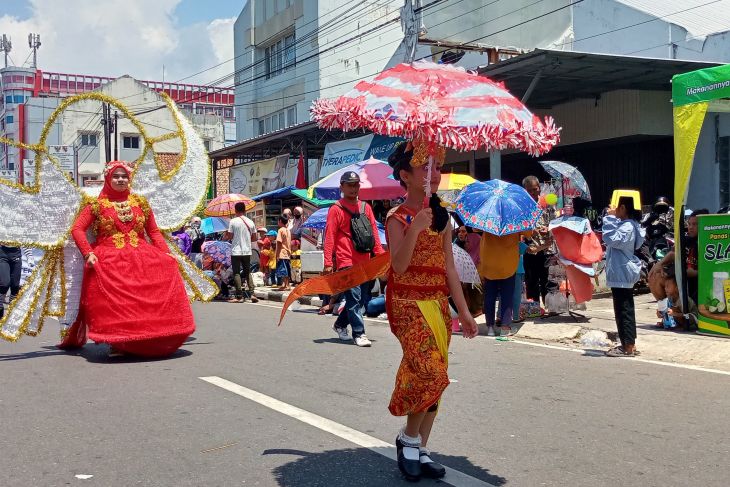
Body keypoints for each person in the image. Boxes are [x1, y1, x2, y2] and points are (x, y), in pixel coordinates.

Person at [386, 140, 478, 481]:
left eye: (437, 167)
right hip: (408, 305)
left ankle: (421, 447)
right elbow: (398, 266)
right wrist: (415, 228)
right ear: (405, 176)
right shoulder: (397, 217)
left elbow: (450, 269)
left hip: (438, 305)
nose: (434, 174)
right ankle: (408, 438)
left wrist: (464, 313)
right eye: (426, 168)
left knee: (436, 376)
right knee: (429, 371)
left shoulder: (444, 219)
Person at [60, 161, 195, 358]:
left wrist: (166, 253)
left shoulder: (140, 203)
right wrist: (88, 253)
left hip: (142, 255)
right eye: (116, 176)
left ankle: (150, 337)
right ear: (108, 179)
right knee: (118, 304)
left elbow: (154, 232)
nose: (121, 179)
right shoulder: (96, 205)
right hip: (110, 258)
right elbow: (77, 229)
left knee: (148, 297)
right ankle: (117, 342)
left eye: (124, 176)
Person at [323, 170, 385, 347]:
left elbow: (374, 235)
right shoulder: (336, 209)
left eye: (356, 184)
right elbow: (330, 236)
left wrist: (380, 260)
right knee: (354, 298)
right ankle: (359, 333)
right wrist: (328, 262)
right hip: (346, 261)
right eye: (349, 185)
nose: (353, 188)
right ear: (341, 187)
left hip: (365, 261)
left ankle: (340, 324)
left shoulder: (366, 208)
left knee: (360, 300)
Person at [602, 196, 644, 357]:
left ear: (624, 208)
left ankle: (628, 346)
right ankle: (629, 343)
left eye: (616, 207)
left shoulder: (627, 226)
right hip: (622, 272)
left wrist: (610, 217)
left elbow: (611, 239)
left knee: (623, 309)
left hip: (622, 273)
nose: (613, 209)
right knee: (624, 308)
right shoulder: (628, 225)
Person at [478, 230, 527, 336]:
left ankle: (490, 327)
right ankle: (505, 328)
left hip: (489, 262)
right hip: (507, 264)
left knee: (489, 297)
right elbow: (528, 233)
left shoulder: (487, 217)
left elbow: (474, 229)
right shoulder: (514, 219)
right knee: (507, 296)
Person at [522, 175, 555, 305]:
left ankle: (549, 306)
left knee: (548, 279)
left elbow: (555, 223)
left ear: (539, 188)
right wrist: (531, 232)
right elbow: (520, 227)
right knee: (531, 280)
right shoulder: (522, 207)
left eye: (534, 189)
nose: (532, 193)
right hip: (530, 249)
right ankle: (534, 308)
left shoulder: (547, 204)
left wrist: (548, 229)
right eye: (529, 190)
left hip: (547, 248)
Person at [224, 202, 259, 303]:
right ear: (245, 210)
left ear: (235, 210)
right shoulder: (250, 222)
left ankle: (239, 296)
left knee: (236, 273)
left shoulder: (233, 221)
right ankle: (252, 293)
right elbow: (254, 238)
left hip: (236, 251)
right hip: (247, 251)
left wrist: (227, 233)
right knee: (247, 272)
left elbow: (230, 237)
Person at [0, 245, 21, 319]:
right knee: (4, 284)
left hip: (16, 254)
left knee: (15, 286)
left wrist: (30, 257)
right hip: (2, 253)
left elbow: (26, 238)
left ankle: (12, 316)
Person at [275, 215, 292, 291]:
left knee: (283, 270)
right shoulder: (288, 230)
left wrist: (277, 254)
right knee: (287, 269)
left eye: (278, 221)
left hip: (282, 252)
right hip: (288, 253)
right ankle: (287, 284)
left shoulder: (280, 230)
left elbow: (279, 242)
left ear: (280, 221)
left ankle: (284, 285)